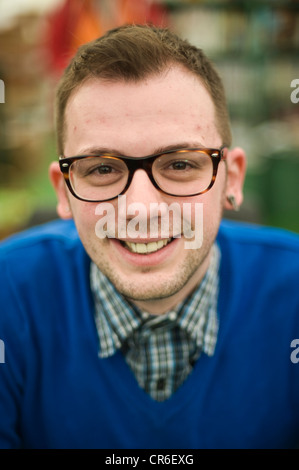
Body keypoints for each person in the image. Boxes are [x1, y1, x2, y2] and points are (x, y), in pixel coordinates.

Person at [0, 24, 298, 450]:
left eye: (179, 164)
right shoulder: (7, 298)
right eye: (102, 169)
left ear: (232, 179)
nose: (141, 209)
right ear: (63, 191)